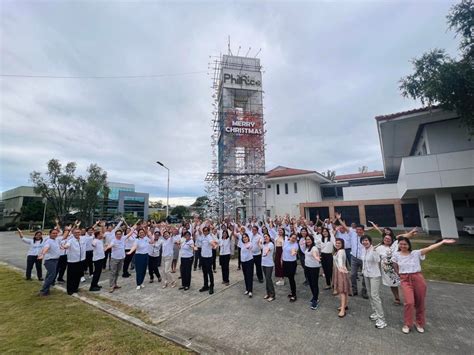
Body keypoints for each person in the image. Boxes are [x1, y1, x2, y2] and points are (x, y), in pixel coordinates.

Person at [392, 237, 456, 334]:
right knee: (409, 302)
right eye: (401, 244)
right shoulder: (396, 254)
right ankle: (407, 324)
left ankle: (419, 323)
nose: (403, 246)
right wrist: (399, 274)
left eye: (405, 244)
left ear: (409, 245)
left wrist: (442, 242)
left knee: (420, 302)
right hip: (405, 280)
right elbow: (394, 265)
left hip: (417, 278)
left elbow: (430, 248)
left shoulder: (416, 253)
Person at [361, 235, 387, 329]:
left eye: (366, 240)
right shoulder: (363, 249)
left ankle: (382, 319)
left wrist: (374, 251)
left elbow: (377, 260)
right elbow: (363, 261)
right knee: (370, 294)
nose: (365, 242)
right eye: (363, 241)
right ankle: (375, 312)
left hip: (374, 275)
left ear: (370, 241)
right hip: (366, 275)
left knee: (375, 296)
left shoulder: (374, 249)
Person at [105, 222, 136, 293]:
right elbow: (111, 245)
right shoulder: (113, 240)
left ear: (121, 234)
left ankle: (115, 284)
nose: (119, 235)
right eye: (117, 234)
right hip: (114, 259)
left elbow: (130, 233)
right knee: (113, 272)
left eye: (120, 234)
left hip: (121, 258)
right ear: (115, 235)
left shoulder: (123, 238)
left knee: (117, 272)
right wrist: (107, 248)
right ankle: (111, 286)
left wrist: (133, 228)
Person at [62, 227, 87, 295]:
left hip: (81, 260)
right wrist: (64, 247)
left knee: (78, 275)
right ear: (73, 233)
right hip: (72, 261)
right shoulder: (71, 240)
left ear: (80, 233)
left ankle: (75, 288)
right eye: (75, 232)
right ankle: (70, 290)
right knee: (71, 276)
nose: (77, 234)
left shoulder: (83, 239)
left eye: (78, 232)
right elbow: (67, 245)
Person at [37, 229, 62, 296]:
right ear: (50, 234)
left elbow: (65, 236)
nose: (55, 234)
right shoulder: (48, 241)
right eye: (53, 233)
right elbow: (46, 248)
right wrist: (42, 254)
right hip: (50, 261)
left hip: (55, 260)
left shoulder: (56, 240)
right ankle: (43, 291)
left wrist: (68, 230)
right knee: (52, 276)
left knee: (49, 276)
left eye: (56, 233)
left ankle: (46, 290)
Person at [332, 238, 351, 318]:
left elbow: (340, 261)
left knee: (342, 291)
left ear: (342, 244)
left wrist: (341, 269)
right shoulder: (339, 251)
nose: (337, 244)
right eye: (336, 243)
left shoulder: (340, 251)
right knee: (344, 290)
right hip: (340, 270)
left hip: (341, 271)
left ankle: (343, 309)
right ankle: (345, 305)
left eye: (339, 243)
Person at [303, 234, 321, 310]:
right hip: (307, 267)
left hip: (314, 268)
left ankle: (315, 300)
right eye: (306, 239)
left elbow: (314, 255)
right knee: (310, 283)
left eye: (309, 239)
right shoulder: (307, 248)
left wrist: (317, 258)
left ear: (312, 240)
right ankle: (314, 296)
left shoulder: (314, 248)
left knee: (314, 284)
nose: (308, 241)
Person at [199, 225, 218, 294]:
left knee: (210, 272)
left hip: (208, 257)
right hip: (203, 257)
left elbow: (212, 243)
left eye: (206, 231)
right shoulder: (202, 237)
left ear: (208, 231)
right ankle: (206, 285)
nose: (205, 232)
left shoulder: (209, 237)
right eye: (204, 231)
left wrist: (214, 245)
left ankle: (211, 286)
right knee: (204, 272)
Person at [282, 233, 299, 302]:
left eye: (295, 238)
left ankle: (294, 295)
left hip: (292, 263)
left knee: (291, 278)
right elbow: (283, 252)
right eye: (292, 237)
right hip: (285, 262)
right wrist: (282, 260)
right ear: (290, 237)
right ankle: (292, 292)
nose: (293, 239)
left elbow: (294, 251)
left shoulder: (295, 245)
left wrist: (294, 253)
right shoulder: (286, 242)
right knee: (289, 278)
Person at [239, 233, 254, 298]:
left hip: (249, 261)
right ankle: (247, 289)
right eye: (243, 237)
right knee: (245, 276)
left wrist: (248, 247)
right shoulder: (242, 244)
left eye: (245, 237)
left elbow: (249, 247)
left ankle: (250, 291)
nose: (244, 238)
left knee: (249, 276)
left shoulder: (250, 243)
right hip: (243, 262)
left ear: (248, 237)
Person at [261, 233, 275, 301]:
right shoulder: (264, 244)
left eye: (266, 236)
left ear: (269, 237)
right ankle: (268, 293)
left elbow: (268, 250)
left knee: (268, 279)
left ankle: (272, 295)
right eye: (264, 237)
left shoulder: (271, 244)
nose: (265, 238)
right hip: (263, 263)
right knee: (266, 279)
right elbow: (261, 248)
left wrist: (266, 253)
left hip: (269, 264)